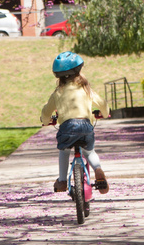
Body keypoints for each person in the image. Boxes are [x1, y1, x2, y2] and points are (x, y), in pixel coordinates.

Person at [40, 51, 110, 194]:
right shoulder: (86, 89)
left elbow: (46, 112)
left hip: (67, 128)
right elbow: (103, 104)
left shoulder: (58, 92)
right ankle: (98, 170)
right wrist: (103, 113)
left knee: (64, 151)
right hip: (86, 126)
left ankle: (62, 181)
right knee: (89, 151)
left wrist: (46, 121)